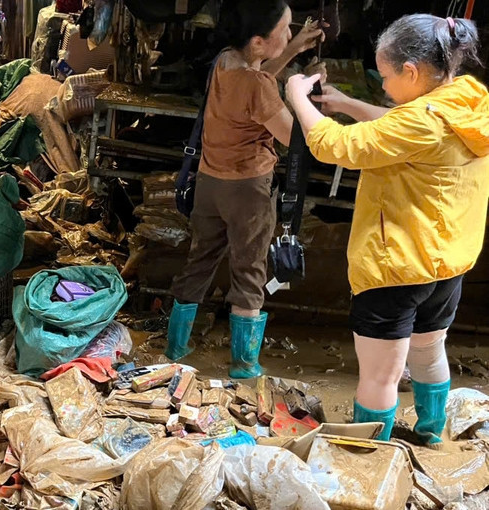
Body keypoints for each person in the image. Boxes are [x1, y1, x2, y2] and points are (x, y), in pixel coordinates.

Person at [286, 14, 487, 443]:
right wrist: (345, 104)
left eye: (385, 76)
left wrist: (296, 97)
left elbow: (333, 146)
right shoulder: (466, 99)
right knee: (430, 352)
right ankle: (431, 434)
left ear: (411, 72)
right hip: (446, 264)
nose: (382, 86)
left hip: (395, 266)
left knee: (382, 374)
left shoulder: (419, 123)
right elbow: (408, 126)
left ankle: (368, 457)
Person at [165, 0, 323, 378]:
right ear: (257, 41)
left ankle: (176, 346)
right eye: (285, 30)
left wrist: (295, 47)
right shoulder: (261, 86)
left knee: (200, 260)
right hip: (247, 189)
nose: (289, 34)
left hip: (209, 183)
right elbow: (294, 138)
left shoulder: (225, 61)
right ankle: (244, 364)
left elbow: (256, 78)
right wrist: (301, 95)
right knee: (249, 270)